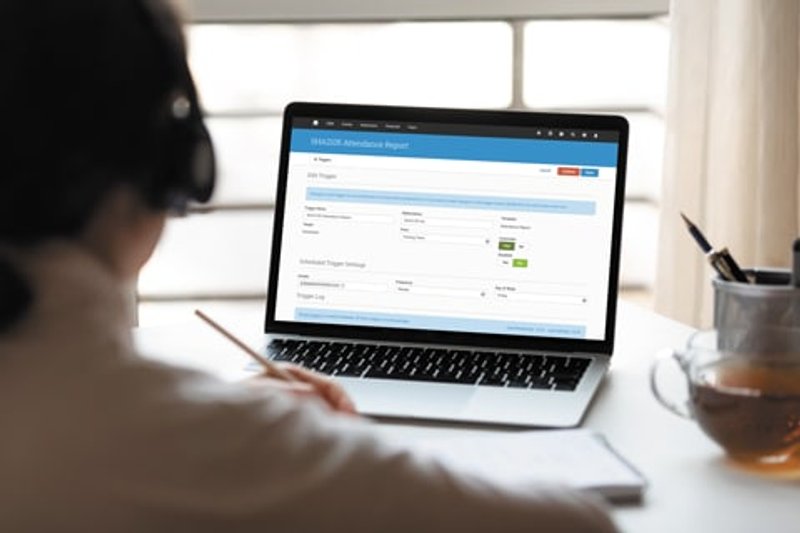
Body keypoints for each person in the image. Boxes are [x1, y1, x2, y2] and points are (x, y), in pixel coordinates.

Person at [0, 0, 618, 531]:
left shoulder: (159, 431)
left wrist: (224, 414)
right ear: (170, 164)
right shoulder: (204, 444)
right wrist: (279, 438)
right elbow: (574, 525)